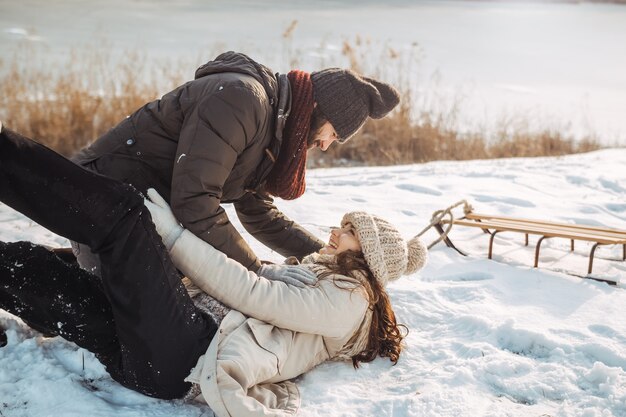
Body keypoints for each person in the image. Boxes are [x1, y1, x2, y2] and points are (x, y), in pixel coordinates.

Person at [0, 124, 427, 416]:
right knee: (37, 271)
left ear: (367, 259)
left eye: (349, 232)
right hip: (150, 358)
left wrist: (171, 236)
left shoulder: (351, 301)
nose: (335, 232)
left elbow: (251, 293)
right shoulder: (314, 277)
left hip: (187, 354)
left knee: (126, 216)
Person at [70, 51, 401, 276]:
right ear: (316, 108)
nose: (327, 146)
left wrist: (331, 260)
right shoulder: (243, 101)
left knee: (180, 296)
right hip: (104, 195)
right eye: (333, 133)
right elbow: (196, 202)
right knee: (130, 318)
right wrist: (255, 273)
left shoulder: (274, 131)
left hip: (143, 209)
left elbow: (259, 213)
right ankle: (20, 274)